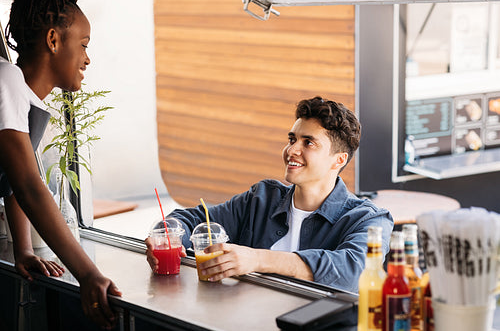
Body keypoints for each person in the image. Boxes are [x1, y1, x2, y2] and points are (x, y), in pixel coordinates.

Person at [145, 96, 394, 292]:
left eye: (308, 142)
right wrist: (167, 236)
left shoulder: (370, 219)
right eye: (292, 138)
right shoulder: (261, 198)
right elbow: (193, 219)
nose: (291, 150)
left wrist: (257, 260)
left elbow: (355, 271)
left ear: (338, 160)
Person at [0, 0, 121, 328]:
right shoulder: (6, 78)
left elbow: (11, 181)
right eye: (83, 45)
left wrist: (24, 250)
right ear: (53, 40)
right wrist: (89, 274)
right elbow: (28, 185)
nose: (87, 58)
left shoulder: (23, 98)